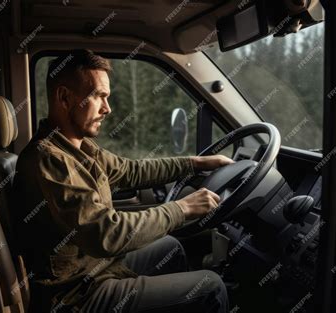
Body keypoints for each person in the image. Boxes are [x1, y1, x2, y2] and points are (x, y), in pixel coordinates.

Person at [12, 49, 233, 313]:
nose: (108, 109)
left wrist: (194, 163)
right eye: (99, 97)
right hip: (76, 294)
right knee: (211, 287)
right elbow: (106, 233)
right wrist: (181, 209)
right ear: (64, 97)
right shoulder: (47, 160)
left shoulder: (81, 149)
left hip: (96, 267)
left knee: (171, 247)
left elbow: (132, 171)